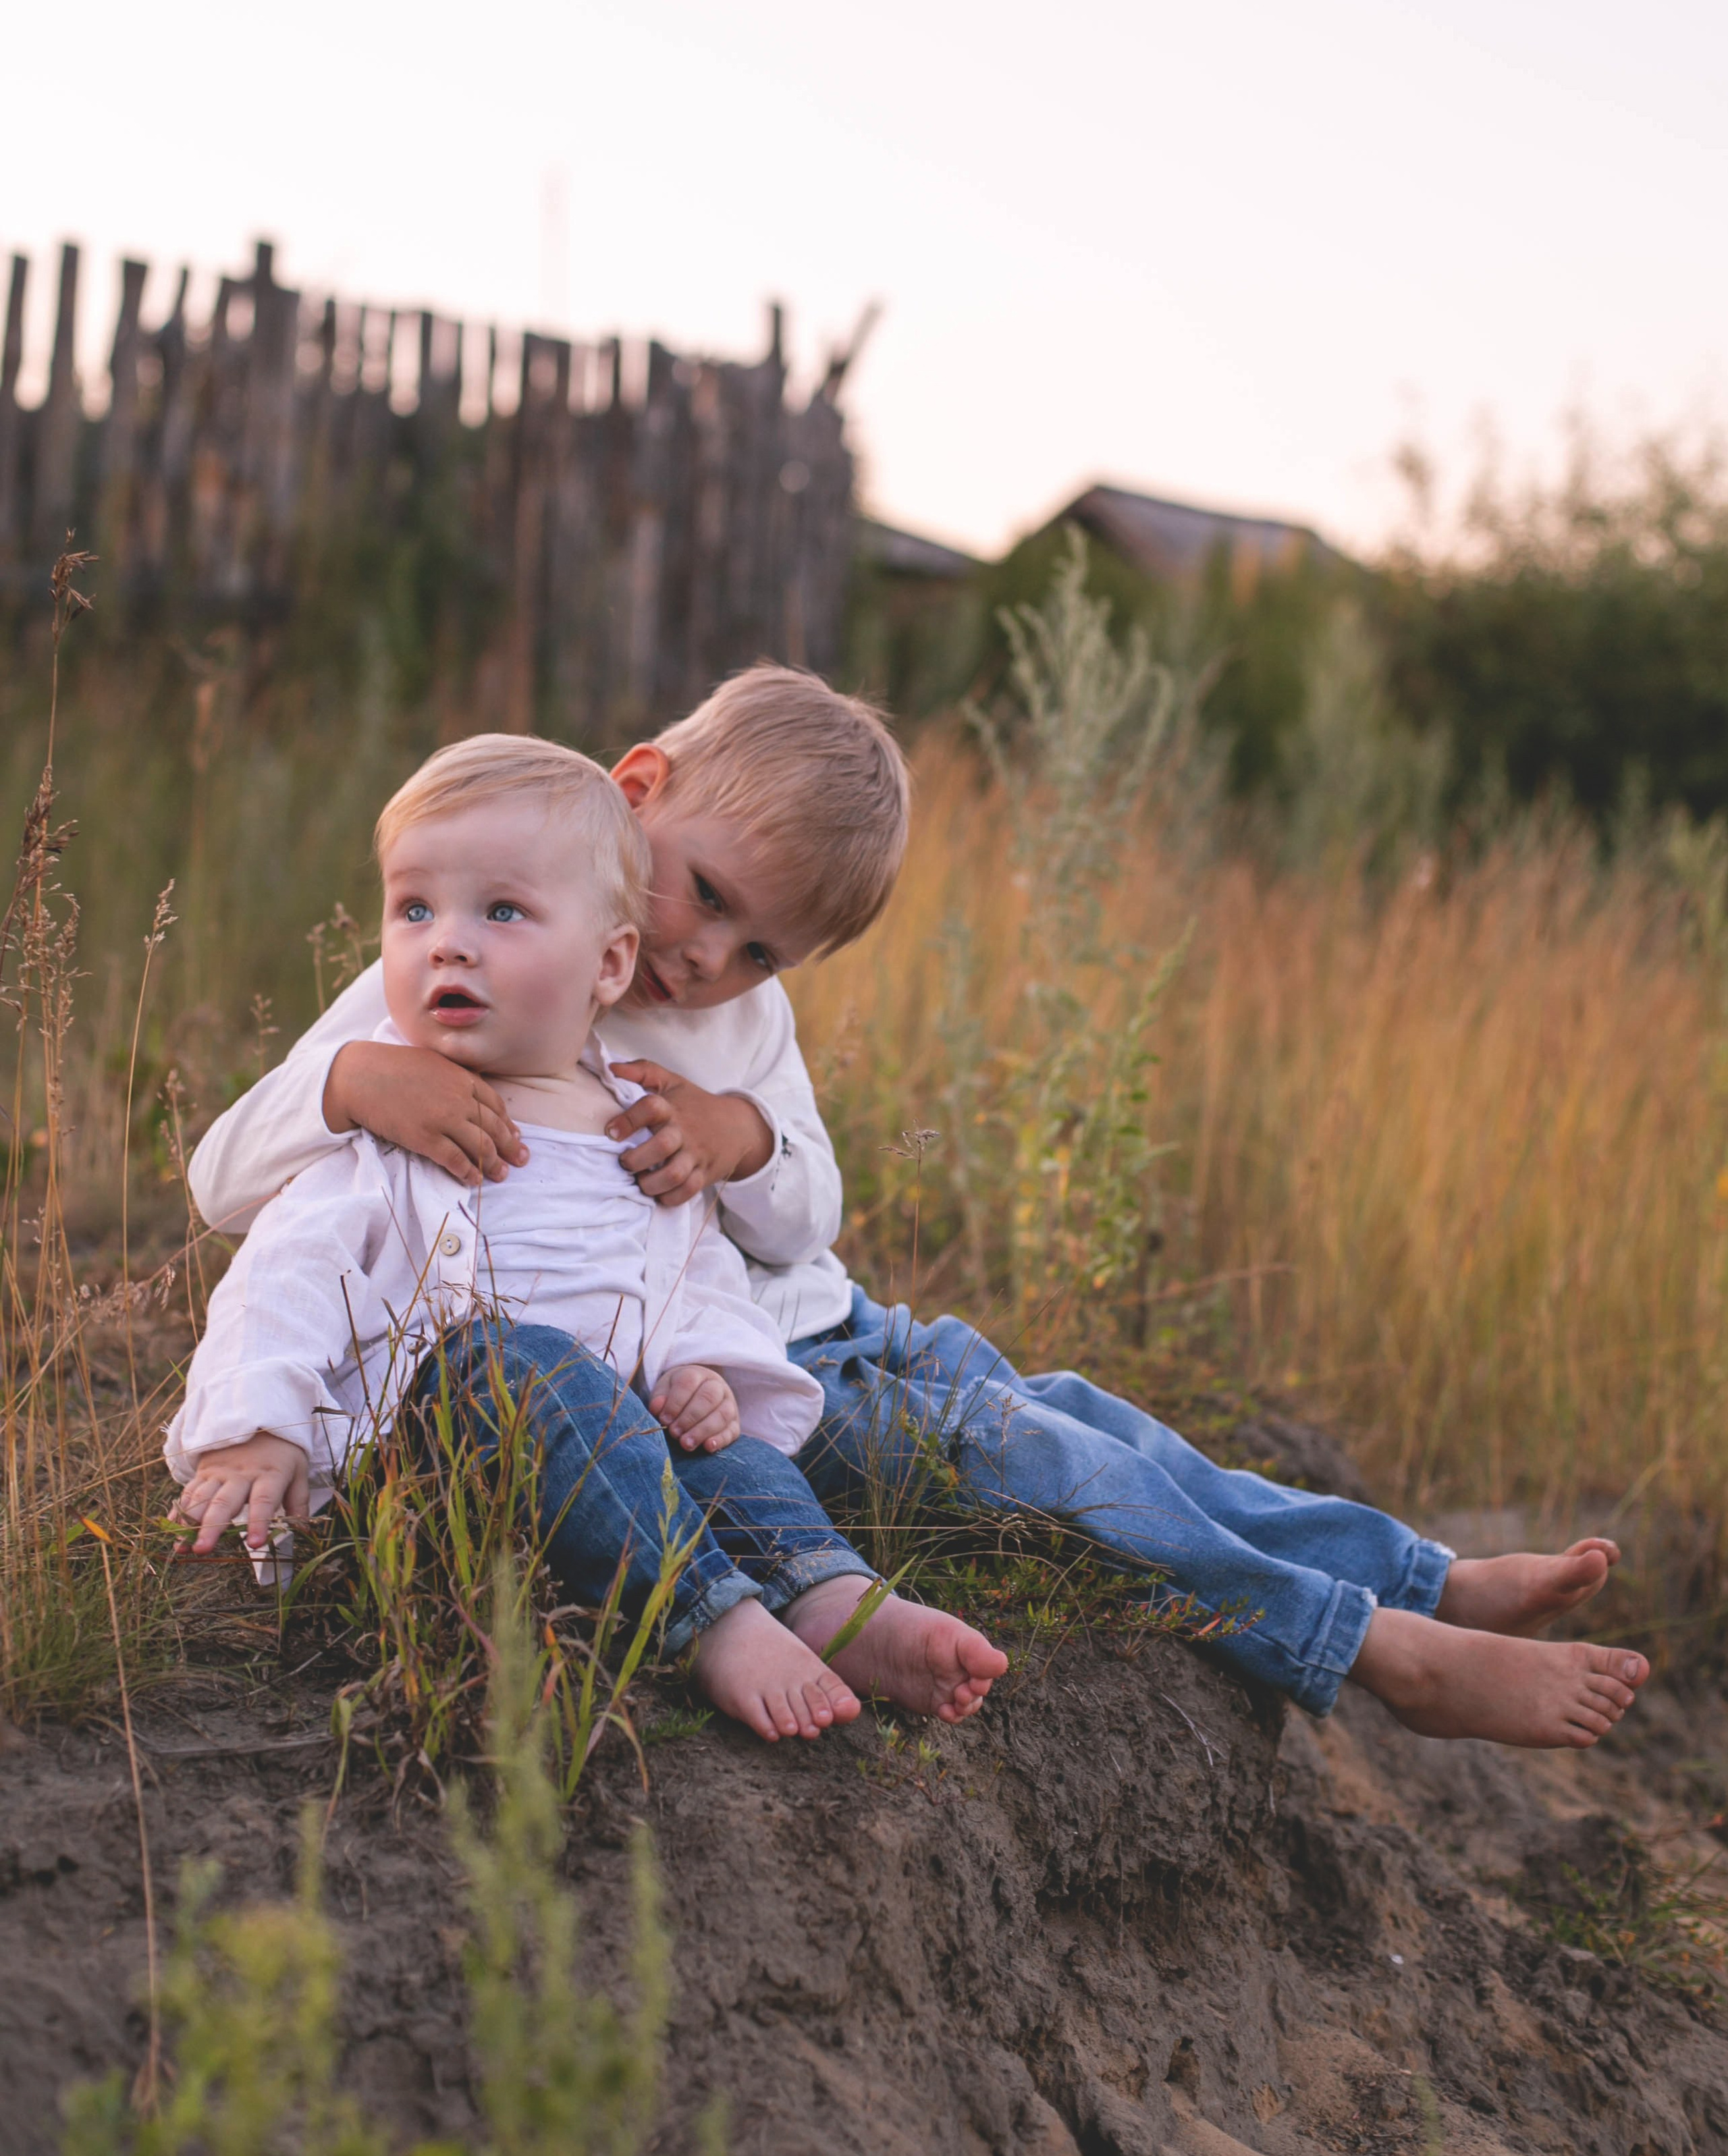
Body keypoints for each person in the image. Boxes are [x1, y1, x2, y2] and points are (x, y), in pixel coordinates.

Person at [189, 670, 1650, 1752]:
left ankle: (1416, 1565)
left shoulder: (736, 1022)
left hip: (836, 1317)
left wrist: (741, 1133)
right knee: (1021, 1459)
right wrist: (357, 1087)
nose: (701, 958)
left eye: (761, 944)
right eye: (700, 895)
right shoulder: (470, 952)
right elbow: (227, 1186)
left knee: (1070, 1404)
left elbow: (806, 1205)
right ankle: (1374, 1647)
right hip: (756, 1387)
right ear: (634, 793)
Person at [167, 733, 1008, 1746]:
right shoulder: (397, 1113)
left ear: (609, 962)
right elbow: (282, 1279)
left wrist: (705, 1368)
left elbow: (689, 1275)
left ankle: (828, 1595)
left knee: (717, 1449)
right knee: (519, 1364)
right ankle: (710, 1619)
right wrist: (255, 1428)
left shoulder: (631, 1124)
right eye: (414, 909)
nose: (449, 943)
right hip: (440, 1463)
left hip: (613, 1459)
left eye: (503, 912)